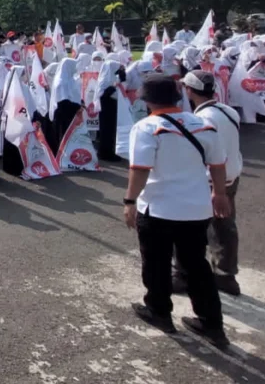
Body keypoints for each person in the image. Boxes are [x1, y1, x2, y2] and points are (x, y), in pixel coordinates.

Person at [124, 74, 231, 349]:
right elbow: (218, 164)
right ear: (178, 96)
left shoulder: (147, 127)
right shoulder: (204, 124)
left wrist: (129, 201)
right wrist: (219, 194)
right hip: (196, 207)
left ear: (147, 100)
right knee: (196, 264)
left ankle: (160, 312)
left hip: (159, 207)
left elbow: (140, 170)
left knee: (156, 262)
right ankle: (212, 323)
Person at [177, 71, 243, 297]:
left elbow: (205, 155)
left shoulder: (200, 120)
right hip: (231, 175)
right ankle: (226, 275)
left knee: (187, 228)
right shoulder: (229, 111)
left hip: (211, 180)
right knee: (224, 227)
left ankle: (184, 275)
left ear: (190, 90)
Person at [47, 58, 82, 152]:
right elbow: (62, 102)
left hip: (69, 113)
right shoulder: (61, 82)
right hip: (63, 115)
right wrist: (77, 107)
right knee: (62, 138)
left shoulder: (69, 79)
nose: (75, 69)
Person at [95, 61, 125, 162]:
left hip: (112, 106)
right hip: (106, 108)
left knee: (111, 130)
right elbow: (102, 95)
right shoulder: (104, 79)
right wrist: (113, 86)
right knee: (106, 130)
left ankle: (109, 151)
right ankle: (105, 153)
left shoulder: (111, 77)